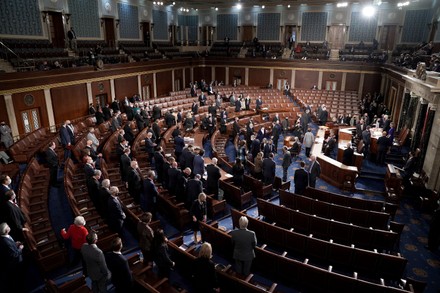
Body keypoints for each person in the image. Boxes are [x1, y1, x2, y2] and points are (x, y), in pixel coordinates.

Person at [0, 222, 24, 293]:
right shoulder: (6, 241)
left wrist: (15, 244)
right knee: (19, 280)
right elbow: (14, 255)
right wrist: (20, 248)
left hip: (15, 262)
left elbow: (10, 248)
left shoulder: (6, 236)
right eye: (8, 226)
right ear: (6, 230)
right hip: (16, 262)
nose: (9, 226)